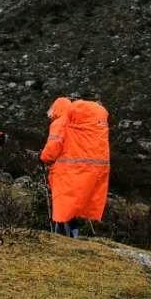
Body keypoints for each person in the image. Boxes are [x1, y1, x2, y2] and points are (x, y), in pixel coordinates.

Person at [39, 95, 110, 236]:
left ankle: (63, 237)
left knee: (62, 206)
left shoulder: (61, 123)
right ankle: (73, 235)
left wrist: (42, 158)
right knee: (72, 207)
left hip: (65, 172)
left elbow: (53, 149)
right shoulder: (77, 124)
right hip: (85, 169)